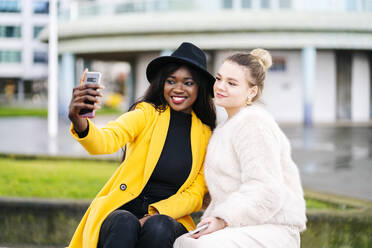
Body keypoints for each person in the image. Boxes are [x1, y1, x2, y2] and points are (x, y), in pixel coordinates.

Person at [67, 42, 216, 248]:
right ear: (162, 84)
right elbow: (106, 140)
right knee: (124, 222)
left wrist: (154, 213)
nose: (178, 89)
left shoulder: (206, 135)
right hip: (123, 211)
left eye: (188, 83)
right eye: (171, 81)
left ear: (200, 87)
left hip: (169, 218)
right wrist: (79, 121)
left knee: (158, 227)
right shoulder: (147, 113)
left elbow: (195, 195)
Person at [174, 49, 307, 248]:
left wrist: (221, 219)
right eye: (219, 79)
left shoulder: (253, 122)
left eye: (232, 83)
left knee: (194, 245)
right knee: (183, 241)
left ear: (251, 92)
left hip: (274, 227)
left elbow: (266, 189)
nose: (220, 87)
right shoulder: (227, 126)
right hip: (244, 225)